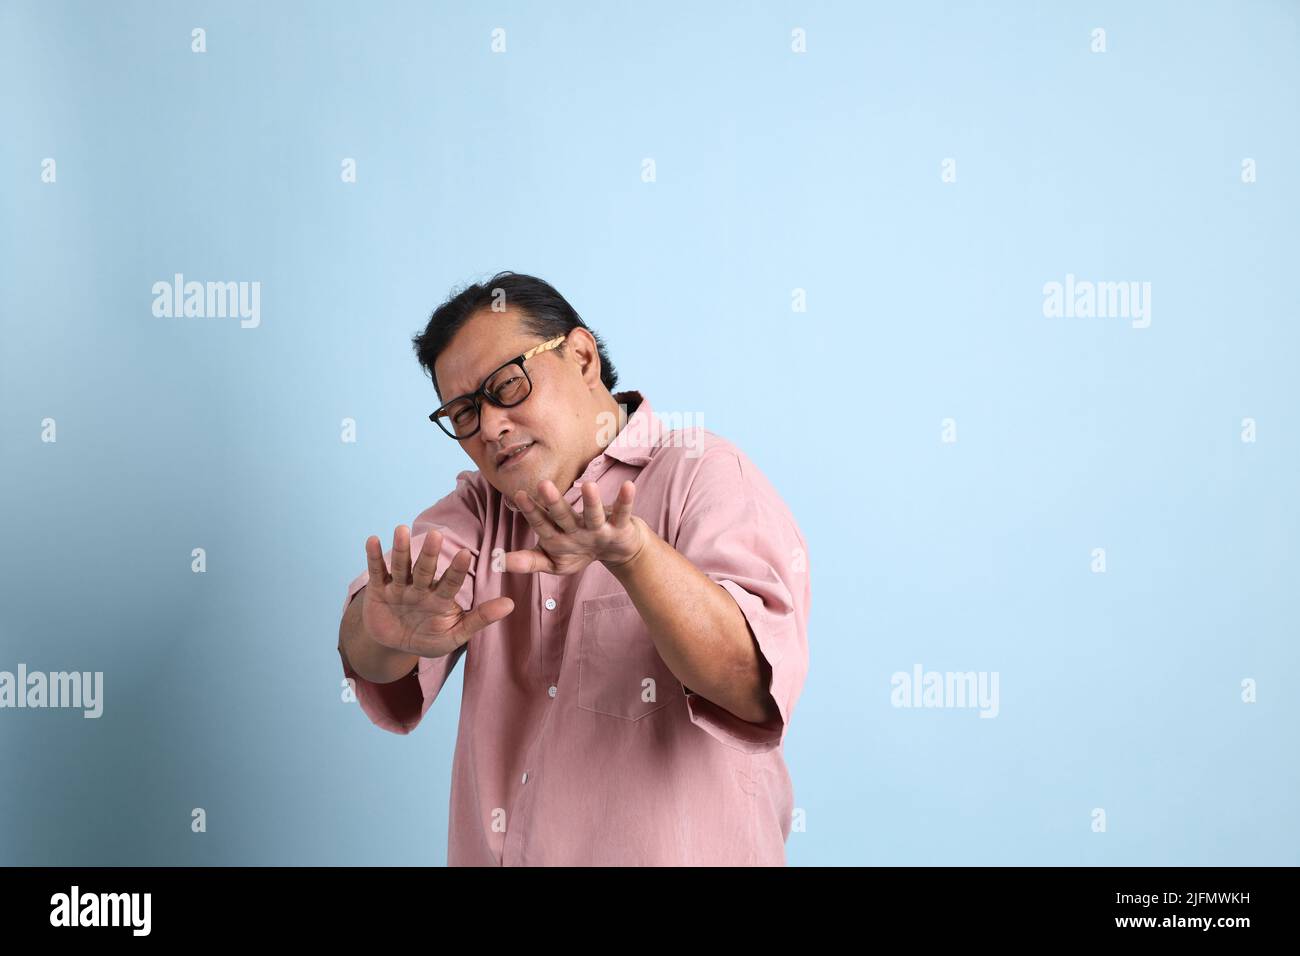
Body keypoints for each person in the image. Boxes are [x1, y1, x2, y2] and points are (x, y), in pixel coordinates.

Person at [338, 271, 811, 865]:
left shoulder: (706, 476)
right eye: (462, 413)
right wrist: (378, 630)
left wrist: (635, 558)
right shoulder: (480, 508)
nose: (488, 427)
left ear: (583, 356)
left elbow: (749, 685)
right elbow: (373, 654)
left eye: (506, 386)